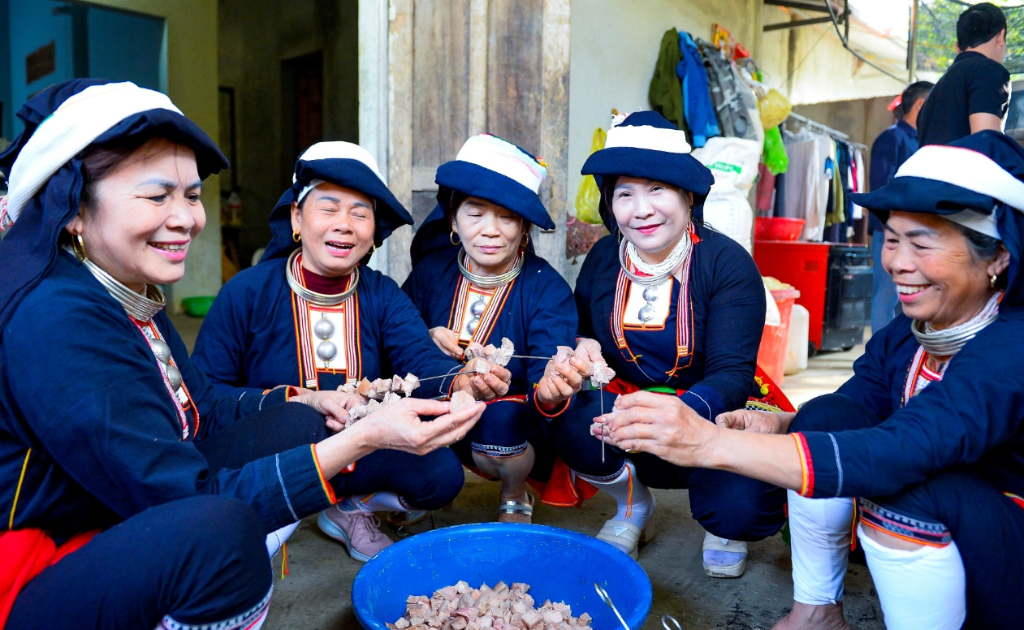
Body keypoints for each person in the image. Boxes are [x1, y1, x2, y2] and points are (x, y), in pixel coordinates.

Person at [0, 80, 485, 630]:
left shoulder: (127, 287)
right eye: (157, 196)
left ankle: (332, 505)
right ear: (73, 210)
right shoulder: (61, 318)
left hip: (114, 505)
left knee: (306, 422)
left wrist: (320, 398)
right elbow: (186, 495)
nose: (188, 218)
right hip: (35, 560)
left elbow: (199, 404)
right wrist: (363, 436)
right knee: (222, 538)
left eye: (190, 195)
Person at [595, 132, 1024, 629]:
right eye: (893, 239)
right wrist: (785, 423)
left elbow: (907, 445)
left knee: (899, 485)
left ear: (999, 256)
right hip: (962, 522)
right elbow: (854, 408)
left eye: (922, 243)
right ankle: (815, 611)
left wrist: (706, 442)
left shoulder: (1023, 346)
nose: (897, 262)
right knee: (825, 416)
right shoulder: (911, 333)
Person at [192, 141, 511, 562]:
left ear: (373, 230)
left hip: (362, 448)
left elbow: (421, 358)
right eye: (328, 208)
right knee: (296, 423)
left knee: (441, 476)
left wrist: (462, 380)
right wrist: (298, 400)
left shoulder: (382, 295)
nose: (345, 225)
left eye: (360, 213)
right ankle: (273, 503)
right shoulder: (247, 293)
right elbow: (206, 396)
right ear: (296, 218)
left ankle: (348, 508)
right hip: (276, 448)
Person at [550, 111, 783, 577]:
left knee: (740, 508)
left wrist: (674, 413)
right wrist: (582, 347)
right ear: (610, 204)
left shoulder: (727, 264)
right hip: (624, 410)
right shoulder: (603, 257)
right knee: (564, 414)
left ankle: (721, 524)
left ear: (688, 196)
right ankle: (632, 507)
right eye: (625, 193)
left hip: (714, 411)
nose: (641, 209)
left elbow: (733, 375)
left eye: (657, 189)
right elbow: (579, 327)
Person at [403, 134, 585, 523]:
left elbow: (545, 379)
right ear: (453, 218)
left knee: (499, 421)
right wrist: (427, 335)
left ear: (524, 228)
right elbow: (395, 342)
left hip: (508, 420)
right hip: (436, 403)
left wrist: (553, 388)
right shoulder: (430, 273)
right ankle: (426, 482)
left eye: (506, 216)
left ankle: (515, 490)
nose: (490, 230)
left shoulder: (545, 286)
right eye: (475, 213)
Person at [869, 81, 933, 332]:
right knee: (887, 294)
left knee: (906, 294)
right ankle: (879, 355)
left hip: (914, 231)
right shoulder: (892, 138)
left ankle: (897, 355)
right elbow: (880, 189)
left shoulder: (922, 142)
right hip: (890, 232)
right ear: (920, 104)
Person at [917, 2, 1011, 147]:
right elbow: (986, 142)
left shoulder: (935, 91)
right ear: (1001, 36)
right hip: (966, 169)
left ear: (958, 46)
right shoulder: (988, 70)